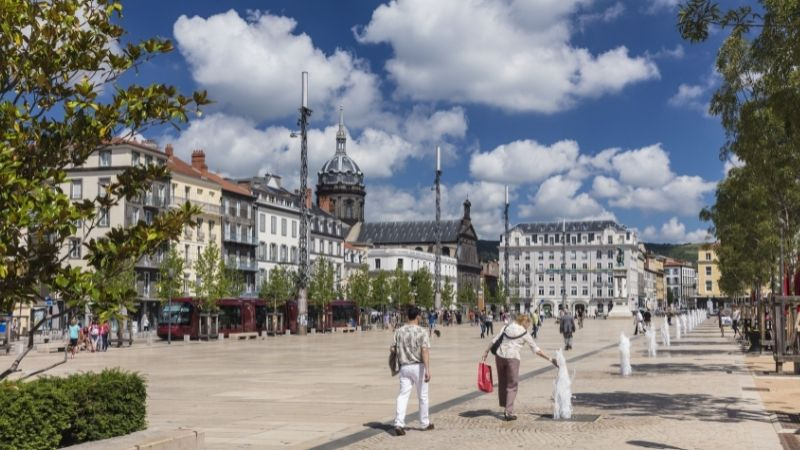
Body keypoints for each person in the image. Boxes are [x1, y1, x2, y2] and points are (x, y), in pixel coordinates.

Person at [482, 314, 557, 421]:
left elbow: (495, 339)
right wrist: (550, 359)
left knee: (502, 382)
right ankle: (508, 412)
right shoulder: (525, 333)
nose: (528, 327)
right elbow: (536, 350)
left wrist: (486, 352)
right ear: (525, 323)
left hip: (499, 356)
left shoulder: (507, 327)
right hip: (512, 358)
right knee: (512, 385)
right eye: (528, 324)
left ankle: (505, 404)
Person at [391, 305, 433, 436]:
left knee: (403, 395)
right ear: (418, 316)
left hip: (404, 367)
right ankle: (424, 422)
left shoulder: (399, 331)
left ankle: (398, 423)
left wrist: (401, 353)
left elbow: (392, 349)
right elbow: (424, 350)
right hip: (418, 366)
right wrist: (427, 369)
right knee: (423, 396)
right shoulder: (422, 331)